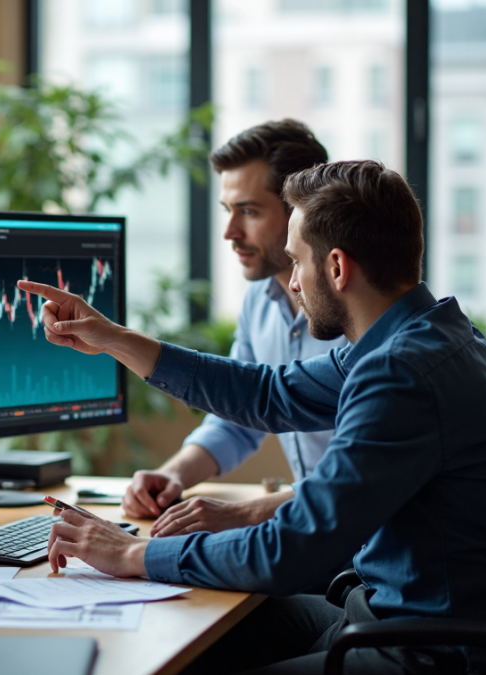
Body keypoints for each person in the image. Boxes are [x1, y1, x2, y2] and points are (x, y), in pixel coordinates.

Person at [20, 160, 486, 673]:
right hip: (386, 618)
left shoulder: (402, 374)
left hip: (421, 653)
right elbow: (267, 393)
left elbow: (292, 549)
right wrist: (114, 339)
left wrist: (131, 555)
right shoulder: (428, 337)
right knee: (198, 633)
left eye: (297, 263)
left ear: (336, 268)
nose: (291, 283)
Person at [124, 120, 349, 544]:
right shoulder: (257, 301)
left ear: (304, 211)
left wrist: (240, 514)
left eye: (249, 211)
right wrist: (174, 474)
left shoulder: (359, 312)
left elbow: (355, 484)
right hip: (313, 533)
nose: (229, 233)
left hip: (355, 542)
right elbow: (239, 418)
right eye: (228, 211)